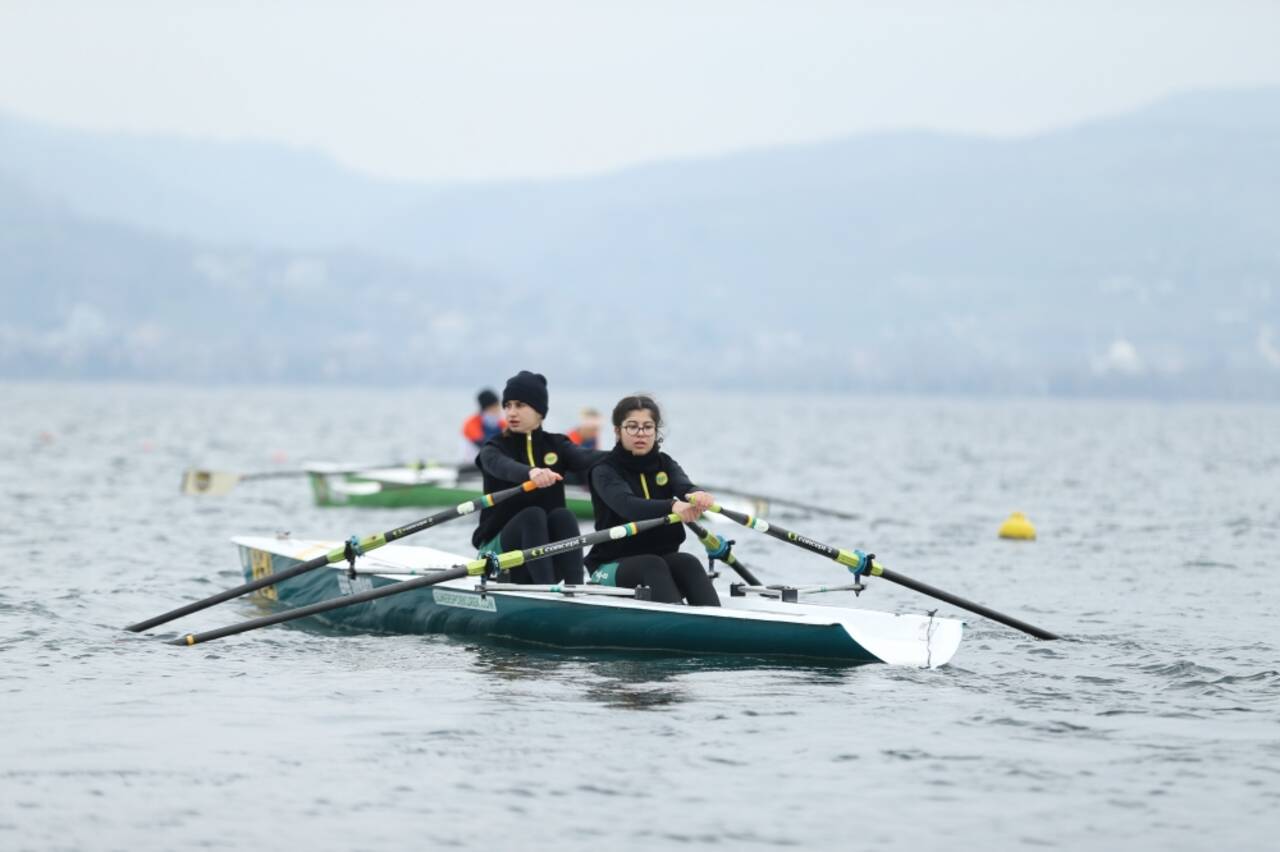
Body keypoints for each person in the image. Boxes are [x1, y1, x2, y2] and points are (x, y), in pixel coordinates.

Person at [585, 394, 720, 606]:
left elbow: (684, 487)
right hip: (609, 567)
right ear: (617, 431)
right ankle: (678, 627)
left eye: (648, 427)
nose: (641, 433)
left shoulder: (665, 464)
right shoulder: (604, 470)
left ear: (655, 431)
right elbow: (627, 506)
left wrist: (697, 495)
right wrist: (673, 505)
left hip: (659, 564)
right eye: (632, 426)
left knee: (689, 562)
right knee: (652, 564)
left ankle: (716, 625)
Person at [471, 371, 601, 585]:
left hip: (546, 559)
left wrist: (626, 454)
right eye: (508, 405)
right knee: (532, 516)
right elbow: (502, 467)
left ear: (539, 412)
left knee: (563, 516)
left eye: (520, 405)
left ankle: (575, 589)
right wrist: (530, 473)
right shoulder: (493, 448)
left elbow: (588, 457)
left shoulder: (557, 445)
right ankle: (546, 592)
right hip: (498, 559)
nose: (511, 412)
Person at [460, 388, 505, 463]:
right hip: (472, 462)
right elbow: (482, 444)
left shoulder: (502, 423)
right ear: (487, 408)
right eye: (495, 406)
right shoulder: (471, 423)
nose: (499, 409)